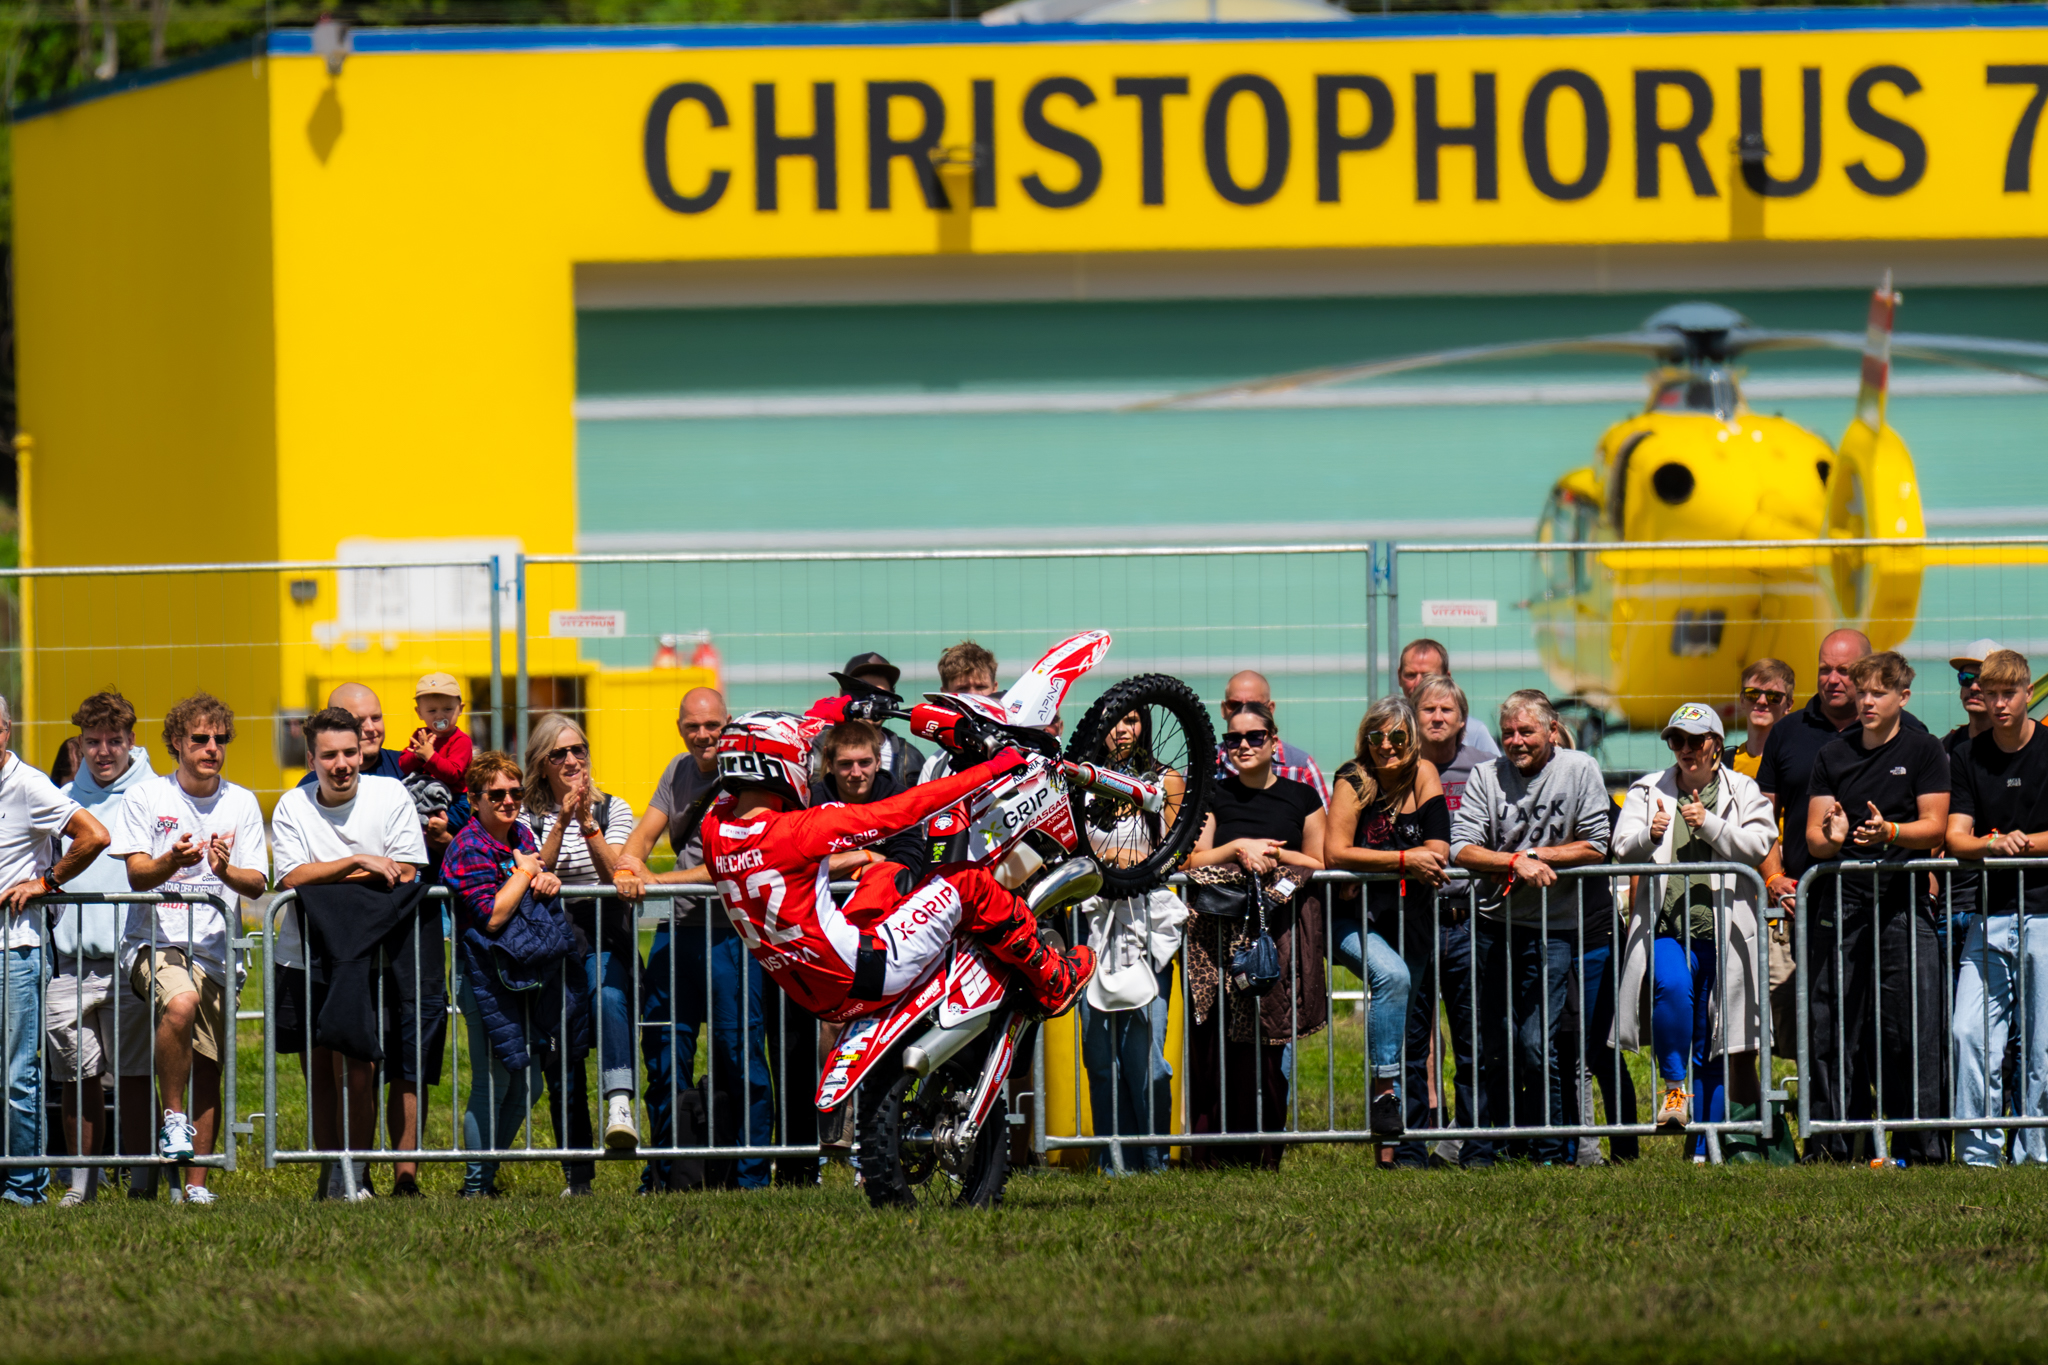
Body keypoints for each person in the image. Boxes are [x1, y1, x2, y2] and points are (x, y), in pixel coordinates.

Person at [700, 709, 1093, 1026]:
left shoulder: (715, 831)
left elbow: (733, 794)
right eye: (802, 758)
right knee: (967, 882)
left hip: (814, 991)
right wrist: (993, 768)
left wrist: (827, 717)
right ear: (777, 766)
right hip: (864, 974)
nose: (807, 766)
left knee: (885, 874)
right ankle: (1052, 978)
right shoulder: (798, 832)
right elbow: (906, 809)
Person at [615, 686, 775, 1191]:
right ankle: (664, 1173)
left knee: (739, 1055)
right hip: (677, 932)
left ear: (729, 724)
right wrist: (627, 865)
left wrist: (656, 880)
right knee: (664, 1052)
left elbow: (730, 865)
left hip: (734, 936)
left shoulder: (749, 780)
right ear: (680, 728)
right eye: (692, 726)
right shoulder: (677, 771)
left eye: (712, 725)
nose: (703, 735)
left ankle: (749, 1178)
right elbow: (644, 834)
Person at [111, 692, 268, 1206]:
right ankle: (173, 1118)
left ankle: (195, 1186)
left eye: (220, 739)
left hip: (217, 951)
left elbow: (257, 883)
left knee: (209, 1065)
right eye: (199, 739)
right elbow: (137, 875)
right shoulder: (147, 796)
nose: (211, 748)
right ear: (176, 743)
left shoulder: (242, 801)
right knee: (180, 1003)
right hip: (154, 941)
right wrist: (171, 862)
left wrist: (224, 871)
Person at [272, 707, 431, 1200]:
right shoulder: (292, 805)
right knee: (320, 1072)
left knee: (360, 1068)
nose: (341, 764)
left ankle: (356, 1173)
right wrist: (361, 861)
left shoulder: (390, 794)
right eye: (329, 756)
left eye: (349, 752)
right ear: (311, 759)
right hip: (303, 955)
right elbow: (291, 877)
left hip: (373, 959)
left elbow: (406, 871)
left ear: (362, 752)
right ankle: (333, 1175)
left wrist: (324, 880)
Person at [1449, 689, 1611, 1167]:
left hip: (1554, 929)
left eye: (1526, 731)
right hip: (1492, 925)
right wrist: (1513, 862)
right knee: (1494, 1043)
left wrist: (1538, 856)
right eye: (1508, 733)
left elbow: (1597, 844)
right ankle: (1495, 1145)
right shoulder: (1486, 775)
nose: (1516, 741)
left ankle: (1550, 1151)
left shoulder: (1580, 769)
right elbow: (1461, 847)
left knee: (1537, 1042)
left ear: (1552, 730)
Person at [1803, 650, 1951, 1164]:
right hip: (1842, 900)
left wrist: (1889, 831)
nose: (1866, 701)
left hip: (1902, 900)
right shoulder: (1832, 754)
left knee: (1911, 1028)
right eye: (1862, 692)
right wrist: (1833, 835)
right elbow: (1816, 838)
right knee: (1831, 1024)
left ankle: (1922, 1147)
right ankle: (1830, 1145)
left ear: (1902, 697)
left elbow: (1935, 827)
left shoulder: (1924, 748)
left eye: (1878, 693)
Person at [1613, 703, 1777, 1162]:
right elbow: (1622, 847)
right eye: (1676, 740)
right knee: (1671, 985)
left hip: (1725, 933)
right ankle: (1674, 1089)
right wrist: (1650, 835)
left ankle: (1703, 1147)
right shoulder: (1648, 790)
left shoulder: (1743, 789)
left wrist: (1709, 824)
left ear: (1715, 745)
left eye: (1695, 740)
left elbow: (1759, 844)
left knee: (1714, 1041)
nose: (1685, 749)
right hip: (1667, 927)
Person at [1184, 702, 1327, 1169]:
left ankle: (1261, 1153)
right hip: (1216, 937)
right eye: (1233, 739)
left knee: (1267, 1044)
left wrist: (1274, 857)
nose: (1243, 745)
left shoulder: (1302, 797)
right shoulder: (1213, 796)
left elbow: (1320, 861)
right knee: (1214, 1043)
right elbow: (1192, 860)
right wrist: (1238, 848)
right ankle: (1212, 1153)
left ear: (1274, 741)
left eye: (1254, 736)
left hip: (1276, 936)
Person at [440, 751, 569, 1198]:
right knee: (492, 1081)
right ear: (474, 799)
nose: (509, 801)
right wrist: (526, 871)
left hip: (520, 971)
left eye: (515, 792)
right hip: (482, 976)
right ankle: (476, 1187)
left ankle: (484, 1178)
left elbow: (533, 884)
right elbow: (492, 915)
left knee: (528, 1083)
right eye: (496, 794)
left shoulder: (521, 834)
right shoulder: (467, 847)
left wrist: (545, 879)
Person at [44, 692, 153, 1206]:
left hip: (131, 957)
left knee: (134, 1075)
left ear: (131, 740)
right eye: (92, 741)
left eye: (114, 741)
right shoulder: (63, 799)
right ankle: (81, 1183)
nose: (103, 751)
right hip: (71, 961)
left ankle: (143, 1180)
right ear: (80, 743)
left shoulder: (153, 794)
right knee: (75, 1074)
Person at [0, 698, 109, 1207]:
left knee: (17, 1077)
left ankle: (24, 1187)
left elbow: (95, 836)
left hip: (16, 948)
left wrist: (44, 881)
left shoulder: (28, 785)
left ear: (6, 731)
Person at [524, 712, 639, 1191]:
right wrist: (561, 822)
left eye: (579, 750)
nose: (572, 760)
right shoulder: (526, 815)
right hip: (552, 937)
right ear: (541, 763)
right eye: (559, 753)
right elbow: (534, 870)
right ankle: (578, 1175)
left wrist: (587, 823)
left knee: (609, 998)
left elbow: (617, 874)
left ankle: (619, 1101)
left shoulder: (614, 809)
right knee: (562, 1051)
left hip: (604, 931)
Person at [1944, 649, 2048, 1167]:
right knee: (1967, 1031)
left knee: (2042, 1045)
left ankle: (2036, 1152)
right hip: (1989, 915)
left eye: (2010, 693)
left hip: (2044, 914)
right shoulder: (1967, 756)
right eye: (1992, 694)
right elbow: (1955, 837)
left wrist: (2022, 843)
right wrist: (1992, 843)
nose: (2000, 703)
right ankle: (1977, 1154)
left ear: (2029, 693)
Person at [1075, 705, 1188, 1174]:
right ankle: (1112, 1163)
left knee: (1147, 1057)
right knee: (1100, 1057)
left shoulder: (1167, 780)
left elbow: (1183, 851)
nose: (1123, 730)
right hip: (1093, 925)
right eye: (1115, 722)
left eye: (1133, 720)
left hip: (1146, 925)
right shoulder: (1080, 783)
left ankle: (1155, 1162)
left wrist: (1136, 866)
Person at [1322, 696, 1432, 1150]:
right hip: (1349, 918)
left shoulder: (1423, 774)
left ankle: (1395, 1154)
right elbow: (1336, 853)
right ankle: (1385, 1094)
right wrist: (1404, 861)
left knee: (1401, 1032)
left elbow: (1439, 849)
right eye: (1376, 736)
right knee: (1392, 976)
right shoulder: (1353, 778)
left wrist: (1370, 866)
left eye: (1397, 736)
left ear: (1412, 739)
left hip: (1411, 918)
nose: (1386, 745)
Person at [1756, 629, 1927, 919]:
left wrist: (1930, 891)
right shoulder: (1786, 732)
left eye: (1844, 671)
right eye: (1825, 669)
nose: (1832, 679)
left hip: (1894, 902)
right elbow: (1762, 818)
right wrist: (1774, 877)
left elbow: (1932, 821)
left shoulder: (1910, 732)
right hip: (1805, 898)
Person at [809, 652, 924, 788]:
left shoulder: (910, 759)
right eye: (863, 694)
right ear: (842, 695)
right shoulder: (813, 748)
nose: (871, 703)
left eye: (880, 695)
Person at [1214, 671, 1331, 803]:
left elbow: (1322, 815)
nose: (1244, 711)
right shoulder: (1205, 764)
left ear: (1270, 709)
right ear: (1223, 709)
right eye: (1235, 705)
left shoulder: (1301, 767)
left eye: (1254, 706)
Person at [1396, 639, 1502, 759]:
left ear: (1446, 678)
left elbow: (1498, 768)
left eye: (1428, 676)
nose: (1418, 683)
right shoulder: (1389, 729)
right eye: (1410, 675)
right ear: (1399, 677)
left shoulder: (1473, 731)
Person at [399, 672, 474, 794]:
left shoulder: (461, 740)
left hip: (452, 797)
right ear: (419, 713)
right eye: (432, 711)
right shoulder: (420, 735)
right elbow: (404, 766)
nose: (439, 716)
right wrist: (417, 756)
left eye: (447, 709)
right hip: (422, 793)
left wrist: (429, 756)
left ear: (460, 709)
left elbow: (452, 775)